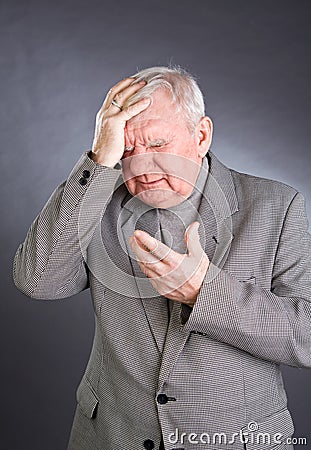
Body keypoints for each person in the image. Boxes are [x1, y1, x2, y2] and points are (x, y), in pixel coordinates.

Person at [13, 66, 311, 450]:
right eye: (127, 149)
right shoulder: (96, 201)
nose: (142, 166)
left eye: (156, 145)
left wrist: (205, 292)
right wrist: (99, 160)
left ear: (200, 135)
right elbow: (37, 281)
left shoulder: (277, 205)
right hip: (111, 437)